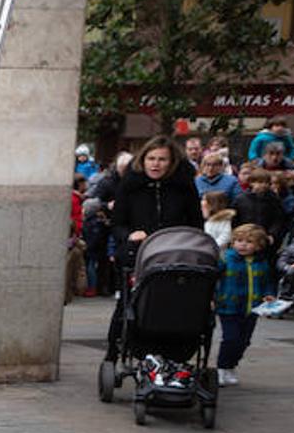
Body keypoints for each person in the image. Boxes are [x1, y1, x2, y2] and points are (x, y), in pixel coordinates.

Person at [104, 136, 204, 361]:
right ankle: (114, 350)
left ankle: (174, 352)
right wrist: (129, 235)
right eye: (151, 158)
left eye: (162, 159)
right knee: (128, 304)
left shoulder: (184, 188)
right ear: (143, 160)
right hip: (137, 253)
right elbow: (117, 223)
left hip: (176, 253)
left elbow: (196, 224)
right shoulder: (130, 186)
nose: (155, 164)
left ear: (172, 162)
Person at [215, 223, 274, 386]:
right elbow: (212, 278)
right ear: (233, 242)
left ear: (258, 245)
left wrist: (269, 294)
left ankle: (231, 366)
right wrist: (211, 298)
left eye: (249, 242)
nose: (243, 244)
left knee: (244, 341)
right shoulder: (226, 258)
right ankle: (221, 368)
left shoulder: (261, 262)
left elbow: (267, 281)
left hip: (253, 308)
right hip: (229, 307)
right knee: (231, 339)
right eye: (239, 240)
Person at [233, 169, 289, 249]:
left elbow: (278, 219)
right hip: (244, 236)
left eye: (266, 183)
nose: (263, 185)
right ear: (251, 183)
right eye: (259, 182)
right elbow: (235, 218)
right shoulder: (241, 199)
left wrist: (272, 234)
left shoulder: (274, 199)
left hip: (264, 238)